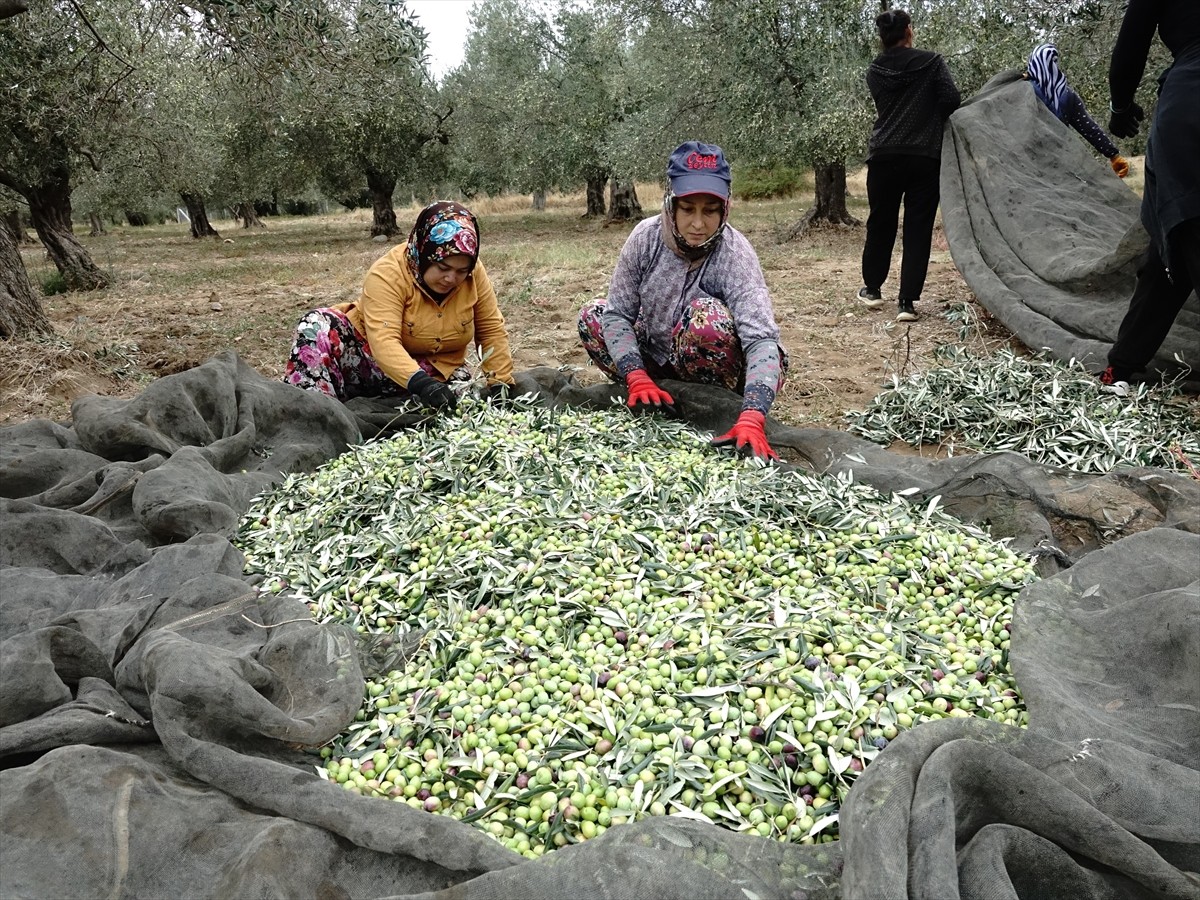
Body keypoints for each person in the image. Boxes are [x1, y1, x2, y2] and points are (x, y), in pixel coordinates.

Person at [577, 140, 788, 461]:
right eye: (687, 209)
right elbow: (618, 315)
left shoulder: (735, 254)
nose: (698, 224)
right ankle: (652, 392)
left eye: (710, 211)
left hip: (718, 363)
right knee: (593, 315)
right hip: (660, 355)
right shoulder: (645, 239)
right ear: (670, 204)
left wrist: (753, 414)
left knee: (705, 319)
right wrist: (634, 374)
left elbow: (761, 341)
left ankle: (714, 409)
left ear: (725, 209)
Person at [283, 201, 515, 411]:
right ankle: (317, 416)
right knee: (315, 325)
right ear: (424, 253)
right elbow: (384, 340)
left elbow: (490, 329)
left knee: (463, 406)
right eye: (443, 268)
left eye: (461, 271)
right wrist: (421, 384)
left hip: (436, 368)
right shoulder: (388, 273)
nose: (451, 278)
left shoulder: (473, 274)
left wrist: (500, 384)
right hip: (367, 360)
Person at [1099, 0, 1200, 396]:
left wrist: (1121, 105)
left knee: (1184, 223)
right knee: (1170, 238)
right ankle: (1123, 366)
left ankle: (1122, 367)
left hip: (1189, 108)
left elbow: (1131, 46)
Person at [856, 8, 961, 323]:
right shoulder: (931, 62)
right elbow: (951, 99)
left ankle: (872, 289)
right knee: (918, 229)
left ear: (882, 37)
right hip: (923, 157)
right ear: (909, 32)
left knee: (880, 223)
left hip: (884, 155)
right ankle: (906, 303)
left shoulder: (874, 70)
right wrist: (931, 119)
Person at [1025, 43, 1129, 178]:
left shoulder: (1024, 90)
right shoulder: (1066, 95)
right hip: (1062, 160)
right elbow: (1089, 128)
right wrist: (1113, 155)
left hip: (1030, 164)